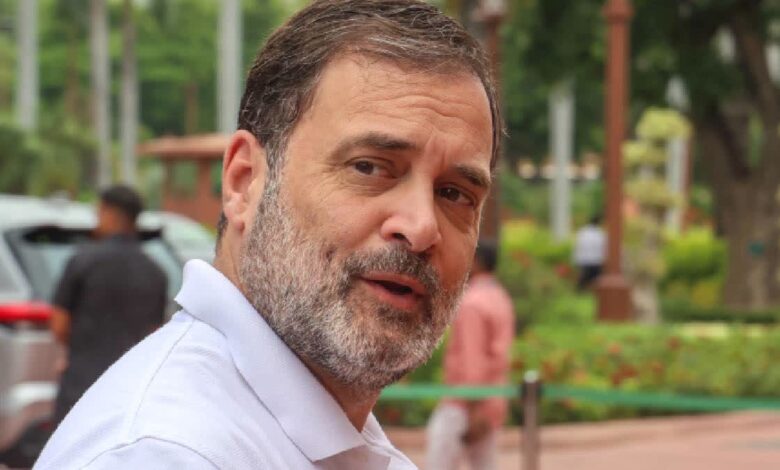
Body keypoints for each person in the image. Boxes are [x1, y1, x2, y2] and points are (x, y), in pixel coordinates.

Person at [35, 0, 500, 468]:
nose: (421, 227)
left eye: (455, 194)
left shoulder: (329, 442)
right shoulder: (165, 453)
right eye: (369, 167)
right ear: (245, 181)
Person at [49, 185, 167, 425]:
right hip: (129, 390)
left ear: (108, 213)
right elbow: (155, 334)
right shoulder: (156, 272)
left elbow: (59, 324)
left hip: (81, 385)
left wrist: (80, 348)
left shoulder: (82, 261)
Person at [425, 242, 514, 470]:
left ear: (476, 262)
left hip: (464, 403)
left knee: (440, 463)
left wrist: (474, 409)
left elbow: (473, 360)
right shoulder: (500, 297)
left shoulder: (473, 303)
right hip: (492, 398)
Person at [573, 215, 606, 290]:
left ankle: (580, 291)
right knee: (595, 279)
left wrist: (576, 259)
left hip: (583, 260)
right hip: (596, 261)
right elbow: (603, 248)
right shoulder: (600, 233)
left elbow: (577, 246)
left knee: (584, 278)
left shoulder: (583, 232)